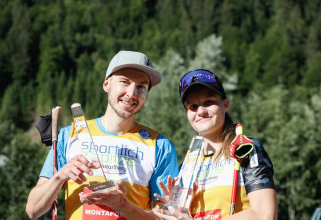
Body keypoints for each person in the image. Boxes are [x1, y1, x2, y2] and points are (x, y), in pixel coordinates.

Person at [26, 50, 179, 219]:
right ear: (107, 84)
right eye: (124, 82)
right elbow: (33, 209)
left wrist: (122, 205)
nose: (131, 93)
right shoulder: (69, 134)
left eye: (141, 87)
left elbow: (168, 217)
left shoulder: (160, 145)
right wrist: (59, 176)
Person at [152, 69, 277, 219]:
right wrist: (172, 210)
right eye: (193, 106)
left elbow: (264, 214)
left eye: (208, 102)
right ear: (187, 114)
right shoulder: (187, 164)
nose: (201, 111)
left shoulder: (245, 148)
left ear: (225, 104)